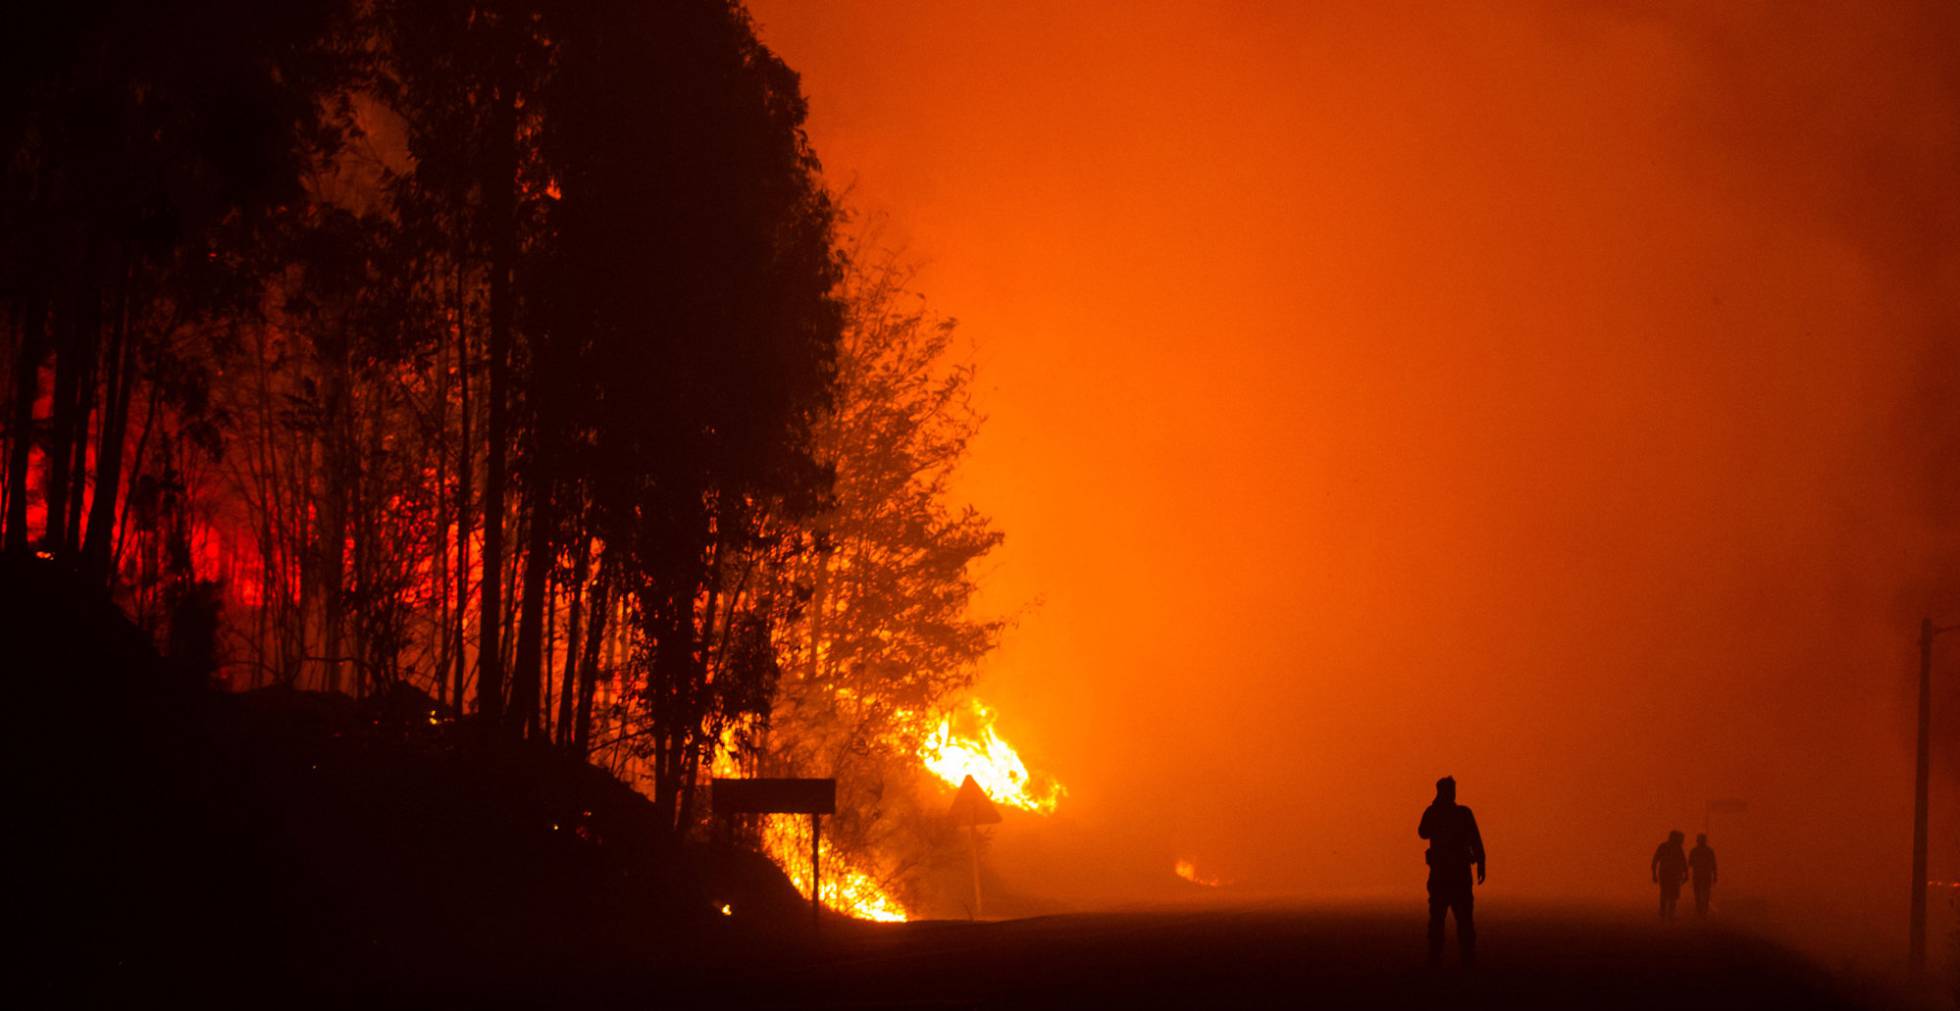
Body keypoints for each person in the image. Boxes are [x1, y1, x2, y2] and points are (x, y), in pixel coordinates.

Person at [1418, 776, 1485, 966]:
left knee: (1462, 921)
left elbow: (1475, 839)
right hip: (1443, 876)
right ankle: (1437, 960)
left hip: (1455, 876)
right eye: (1449, 790)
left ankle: (1465, 960)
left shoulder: (1462, 814)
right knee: (1439, 921)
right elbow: (1423, 832)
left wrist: (1481, 862)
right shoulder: (1438, 813)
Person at [1651, 830, 1689, 922]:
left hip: (1666, 874)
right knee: (1672, 894)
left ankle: (1664, 913)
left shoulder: (1664, 846)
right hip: (1672, 874)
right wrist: (1686, 874)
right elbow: (1683, 862)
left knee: (1666, 893)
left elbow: (1655, 860)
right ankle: (1668, 914)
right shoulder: (1676, 848)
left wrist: (1654, 874)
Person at [1688, 833, 1717, 918]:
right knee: (1703, 893)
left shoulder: (1694, 851)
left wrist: (1715, 875)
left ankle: (1701, 910)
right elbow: (1713, 864)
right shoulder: (1709, 851)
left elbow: (1690, 863)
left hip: (1700, 875)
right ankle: (1702, 910)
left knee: (1702, 893)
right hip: (1703, 875)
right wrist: (1715, 875)